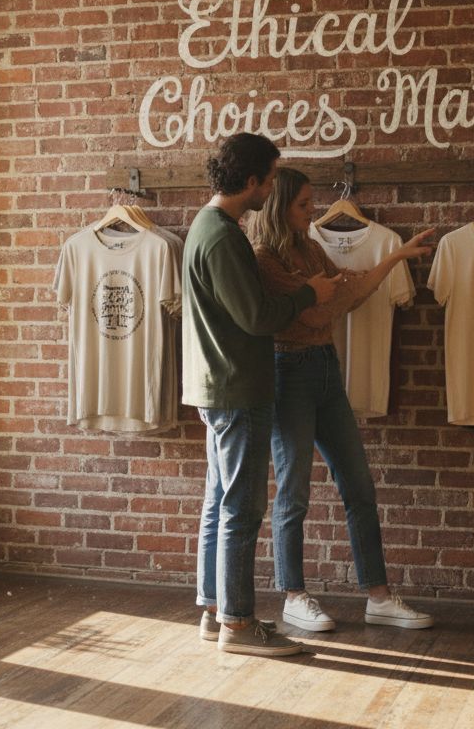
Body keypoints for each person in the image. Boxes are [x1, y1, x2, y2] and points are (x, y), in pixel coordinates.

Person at [247, 167, 436, 632]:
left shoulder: (309, 248)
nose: (312, 214)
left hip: (326, 369)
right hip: (287, 373)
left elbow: (349, 296)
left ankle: (378, 595)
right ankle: (293, 594)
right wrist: (328, 294)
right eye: (303, 205)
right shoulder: (263, 256)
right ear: (279, 205)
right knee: (293, 493)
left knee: (359, 487)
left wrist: (396, 257)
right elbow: (315, 311)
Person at [184, 134, 341, 656]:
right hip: (237, 387)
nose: (272, 188)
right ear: (250, 182)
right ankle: (238, 624)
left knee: (218, 502)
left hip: (220, 385)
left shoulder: (207, 227)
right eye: (270, 179)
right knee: (242, 510)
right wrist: (308, 293)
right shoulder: (224, 237)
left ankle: (213, 610)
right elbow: (256, 317)